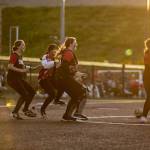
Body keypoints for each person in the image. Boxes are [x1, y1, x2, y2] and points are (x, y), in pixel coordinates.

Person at [55, 37, 87, 121]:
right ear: (71, 43)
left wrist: (77, 73)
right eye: (75, 42)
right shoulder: (68, 52)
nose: (76, 43)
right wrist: (77, 73)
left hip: (63, 78)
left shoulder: (69, 52)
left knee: (75, 95)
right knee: (83, 91)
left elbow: (67, 67)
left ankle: (67, 115)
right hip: (64, 78)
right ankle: (78, 113)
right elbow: (65, 66)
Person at [7, 40, 36, 120]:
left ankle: (25, 109)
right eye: (23, 45)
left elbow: (22, 67)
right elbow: (10, 66)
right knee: (25, 94)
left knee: (32, 91)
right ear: (18, 46)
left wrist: (33, 68)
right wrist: (22, 71)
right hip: (13, 79)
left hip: (19, 78)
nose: (24, 46)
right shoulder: (14, 55)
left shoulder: (20, 56)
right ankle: (16, 112)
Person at [38, 44, 60, 119]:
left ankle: (57, 100)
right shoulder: (45, 56)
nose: (55, 52)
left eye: (56, 51)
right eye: (54, 50)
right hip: (44, 79)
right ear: (50, 51)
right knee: (52, 94)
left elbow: (57, 67)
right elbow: (45, 65)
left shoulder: (56, 58)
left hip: (51, 79)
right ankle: (42, 110)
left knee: (62, 86)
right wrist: (55, 63)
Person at [136, 38, 150, 123]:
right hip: (148, 77)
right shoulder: (147, 54)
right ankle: (144, 116)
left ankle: (143, 114)